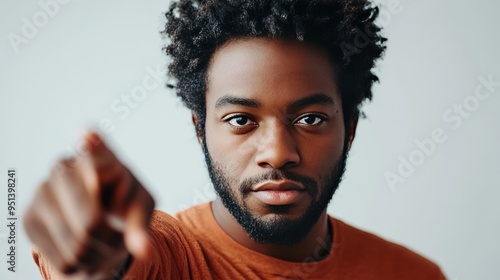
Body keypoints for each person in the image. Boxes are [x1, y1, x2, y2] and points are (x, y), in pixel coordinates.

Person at [24, 0, 447, 279]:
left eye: (310, 118)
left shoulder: (414, 274)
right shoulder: (174, 258)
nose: (278, 153)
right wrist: (101, 244)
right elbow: (131, 260)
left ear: (349, 129)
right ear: (199, 129)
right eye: (242, 119)